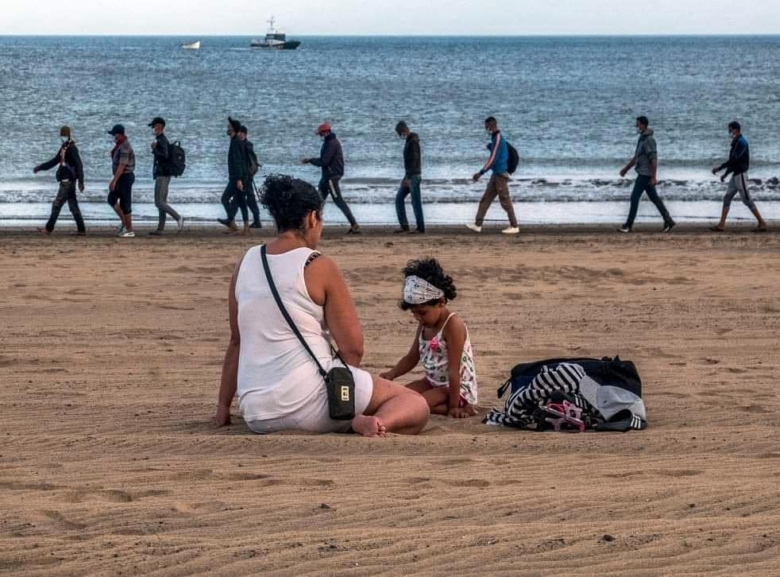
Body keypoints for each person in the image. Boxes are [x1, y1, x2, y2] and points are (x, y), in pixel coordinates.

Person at [214, 174, 429, 436]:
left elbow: (237, 342)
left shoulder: (245, 263)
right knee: (414, 404)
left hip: (257, 413)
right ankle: (370, 421)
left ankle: (351, 417)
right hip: (308, 402)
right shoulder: (317, 264)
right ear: (312, 218)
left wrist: (223, 406)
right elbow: (353, 348)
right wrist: (342, 396)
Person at [380, 259, 478, 418]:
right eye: (414, 313)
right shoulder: (425, 325)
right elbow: (412, 357)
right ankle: (441, 406)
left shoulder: (452, 325)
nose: (418, 318)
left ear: (440, 302)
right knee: (401, 396)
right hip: (432, 382)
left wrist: (454, 407)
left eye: (422, 312)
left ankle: (463, 406)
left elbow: (454, 372)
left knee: (417, 403)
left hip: (455, 388)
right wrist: (392, 374)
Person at [618, 116, 675, 233]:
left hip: (645, 175)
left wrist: (653, 177)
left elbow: (654, 159)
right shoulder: (642, 139)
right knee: (654, 198)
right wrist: (626, 169)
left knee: (634, 198)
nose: (636, 126)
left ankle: (628, 225)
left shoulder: (649, 140)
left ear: (643, 125)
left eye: (638, 124)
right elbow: (636, 157)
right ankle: (668, 220)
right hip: (644, 173)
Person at [302, 123, 360, 234]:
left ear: (326, 132)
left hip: (331, 177)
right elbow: (324, 160)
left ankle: (354, 224)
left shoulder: (331, 144)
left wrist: (310, 160)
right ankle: (313, 226)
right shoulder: (329, 142)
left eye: (321, 134)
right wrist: (311, 160)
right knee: (318, 202)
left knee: (338, 201)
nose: (320, 136)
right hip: (326, 177)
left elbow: (324, 161)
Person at [710, 121, 767, 233]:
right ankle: (721, 225)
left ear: (736, 130)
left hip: (740, 175)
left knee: (747, 200)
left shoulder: (742, 142)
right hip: (735, 175)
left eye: (730, 130)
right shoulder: (736, 142)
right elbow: (734, 161)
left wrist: (719, 168)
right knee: (727, 198)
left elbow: (734, 160)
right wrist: (726, 174)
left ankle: (762, 223)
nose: (729, 132)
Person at [467, 117, 519, 235]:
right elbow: (497, 151)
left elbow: (493, 158)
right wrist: (489, 146)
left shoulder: (498, 138)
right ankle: (478, 224)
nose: (486, 128)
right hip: (495, 174)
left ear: (491, 125)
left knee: (505, 201)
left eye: (486, 126)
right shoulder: (495, 138)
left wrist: (481, 173)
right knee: (486, 199)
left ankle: (514, 226)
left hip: (501, 175)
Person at [34, 126, 86, 236]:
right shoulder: (64, 147)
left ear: (68, 135)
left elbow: (79, 164)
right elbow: (54, 161)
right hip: (67, 180)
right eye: (61, 135)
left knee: (57, 204)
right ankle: (81, 229)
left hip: (68, 181)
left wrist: (81, 181)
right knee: (73, 206)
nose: (62, 137)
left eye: (63, 135)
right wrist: (41, 167)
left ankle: (48, 228)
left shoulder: (72, 148)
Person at [148, 117, 184, 236]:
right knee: (161, 202)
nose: (153, 129)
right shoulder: (160, 139)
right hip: (162, 174)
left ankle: (178, 217)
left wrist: (154, 149)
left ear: (160, 127)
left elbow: (165, 155)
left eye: (154, 126)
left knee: (159, 202)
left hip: (163, 175)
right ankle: (160, 229)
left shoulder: (162, 140)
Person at [218, 117, 250, 234]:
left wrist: (239, 179)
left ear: (233, 129)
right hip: (239, 177)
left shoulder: (236, 142)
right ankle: (243, 227)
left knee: (225, 198)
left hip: (237, 178)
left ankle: (231, 221)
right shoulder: (236, 141)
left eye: (230, 126)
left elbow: (238, 162)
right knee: (241, 201)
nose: (228, 127)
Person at [394, 121, 425, 234]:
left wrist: (408, 177)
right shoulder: (410, 140)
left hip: (414, 176)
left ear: (405, 129)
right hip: (409, 175)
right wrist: (406, 176)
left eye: (400, 133)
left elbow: (414, 161)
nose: (400, 135)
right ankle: (404, 225)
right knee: (399, 199)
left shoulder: (413, 142)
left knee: (415, 202)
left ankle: (420, 227)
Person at [107, 124, 136, 238]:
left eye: (114, 134)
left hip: (125, 177)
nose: (113, 137)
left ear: (118, 134)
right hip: (121, 177)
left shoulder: (124, 146)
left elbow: (122, 165)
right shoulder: (119, 145)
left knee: (125, 204)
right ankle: (124, 222)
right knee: (111, 199)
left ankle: (130, 230)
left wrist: (114, 180)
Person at [238, 125, 262, 229]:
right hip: (244, 176)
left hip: (247, 176)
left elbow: (251, 160)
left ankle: (256, 220)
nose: (240, 135)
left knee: (249, 198)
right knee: (246, 198)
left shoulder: (247, 145)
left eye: (242, 133)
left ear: (245, 134)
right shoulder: (242, 144)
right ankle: (256, 220)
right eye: (239, 133)